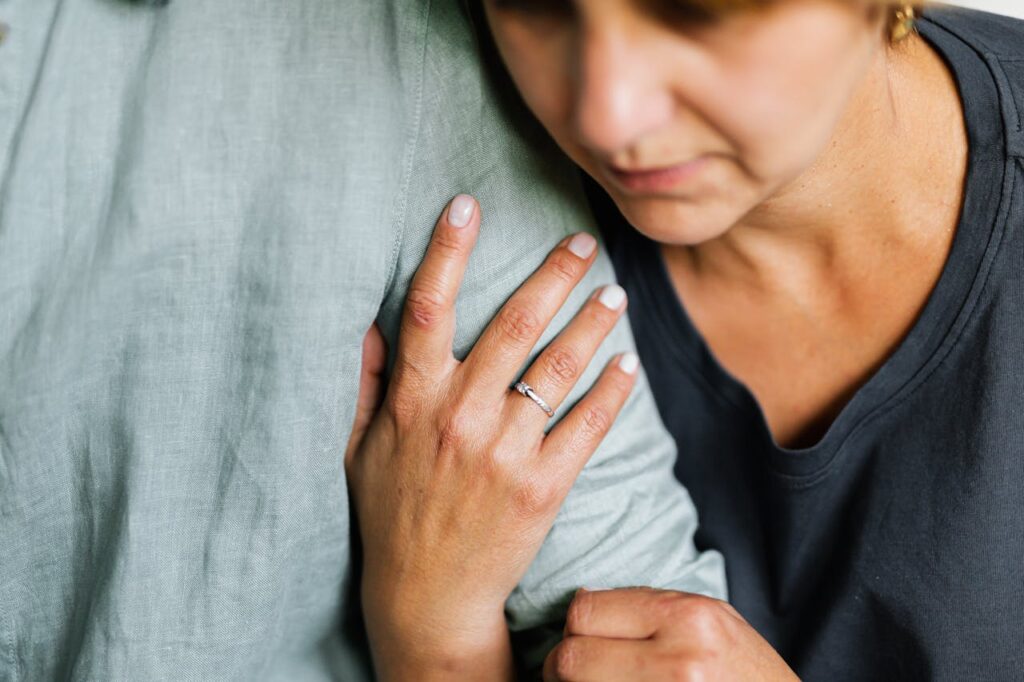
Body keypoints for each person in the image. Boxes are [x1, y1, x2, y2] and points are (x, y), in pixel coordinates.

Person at [0, 0, 726, 679]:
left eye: (695, 6)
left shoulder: (398, 44)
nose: (608, 114)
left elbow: (639, 622)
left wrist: (430, 634)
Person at [347, 0, 1024, 679]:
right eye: (537, 3)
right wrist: (429, 623)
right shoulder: (483, 202)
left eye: (693, 10)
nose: (605, 114)